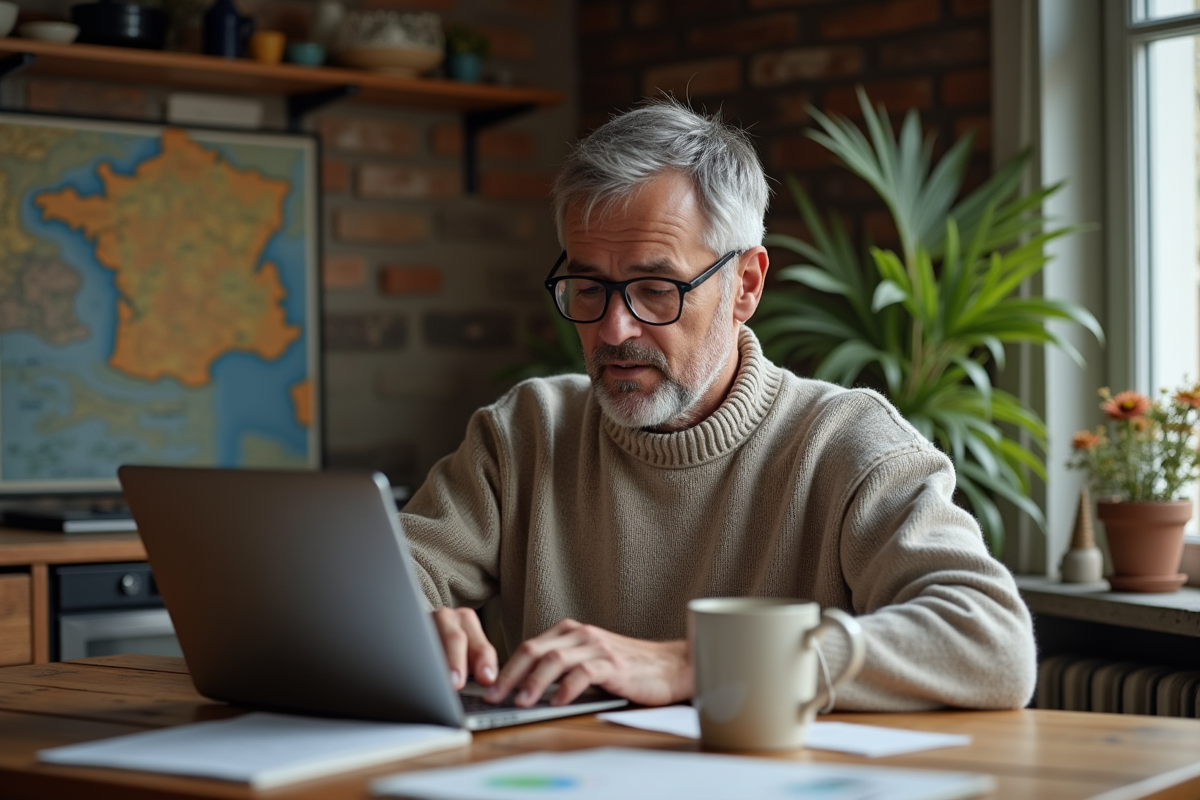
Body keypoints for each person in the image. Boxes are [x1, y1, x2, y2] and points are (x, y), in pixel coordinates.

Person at [399, 99, 1037, 712]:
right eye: (588, 287)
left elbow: (991, 643)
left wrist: (694, 665)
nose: (614, 328)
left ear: (746, 285)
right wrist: (416, 623)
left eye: (656, 288)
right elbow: (384, 582)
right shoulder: (526, 432)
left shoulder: (848, 444)